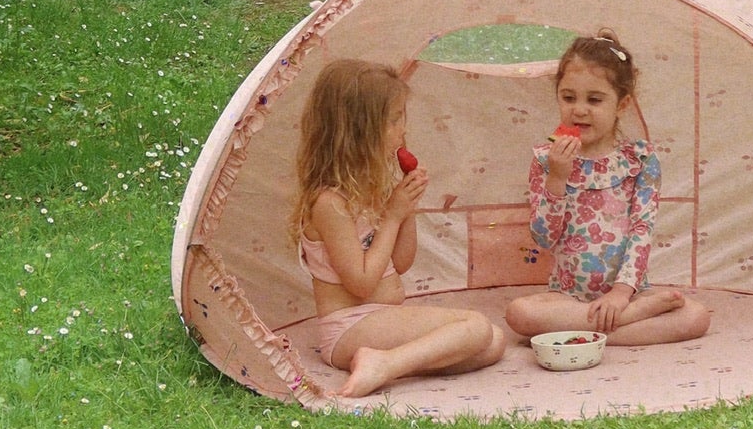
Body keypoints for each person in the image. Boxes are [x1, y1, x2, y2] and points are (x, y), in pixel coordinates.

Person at [293, 57, 508, 399]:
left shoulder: (369, 188)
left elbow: (401, 263)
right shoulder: (329, 204)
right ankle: (383, 365)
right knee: (476, 327)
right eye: (394, 120)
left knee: (492, 342)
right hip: (349, 326)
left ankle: (389, 360)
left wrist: (407, 210)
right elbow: (362, 283)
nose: (403, 130)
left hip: (380, 317)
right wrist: (393, 216)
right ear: (358, 132)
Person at [505, 30, 711, 347]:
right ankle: (620, 325)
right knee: (519, 314)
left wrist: (621, 293)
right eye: (568, 97)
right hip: (568, 298)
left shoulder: (640, 159)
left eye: (595, 99)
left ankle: (593, 328)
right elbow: (543, 238)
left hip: (629, 293)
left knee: (696, 317)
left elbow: (642, 228)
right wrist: (557, 178)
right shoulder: (546, 159)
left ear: (622, 103)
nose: (579, 109)